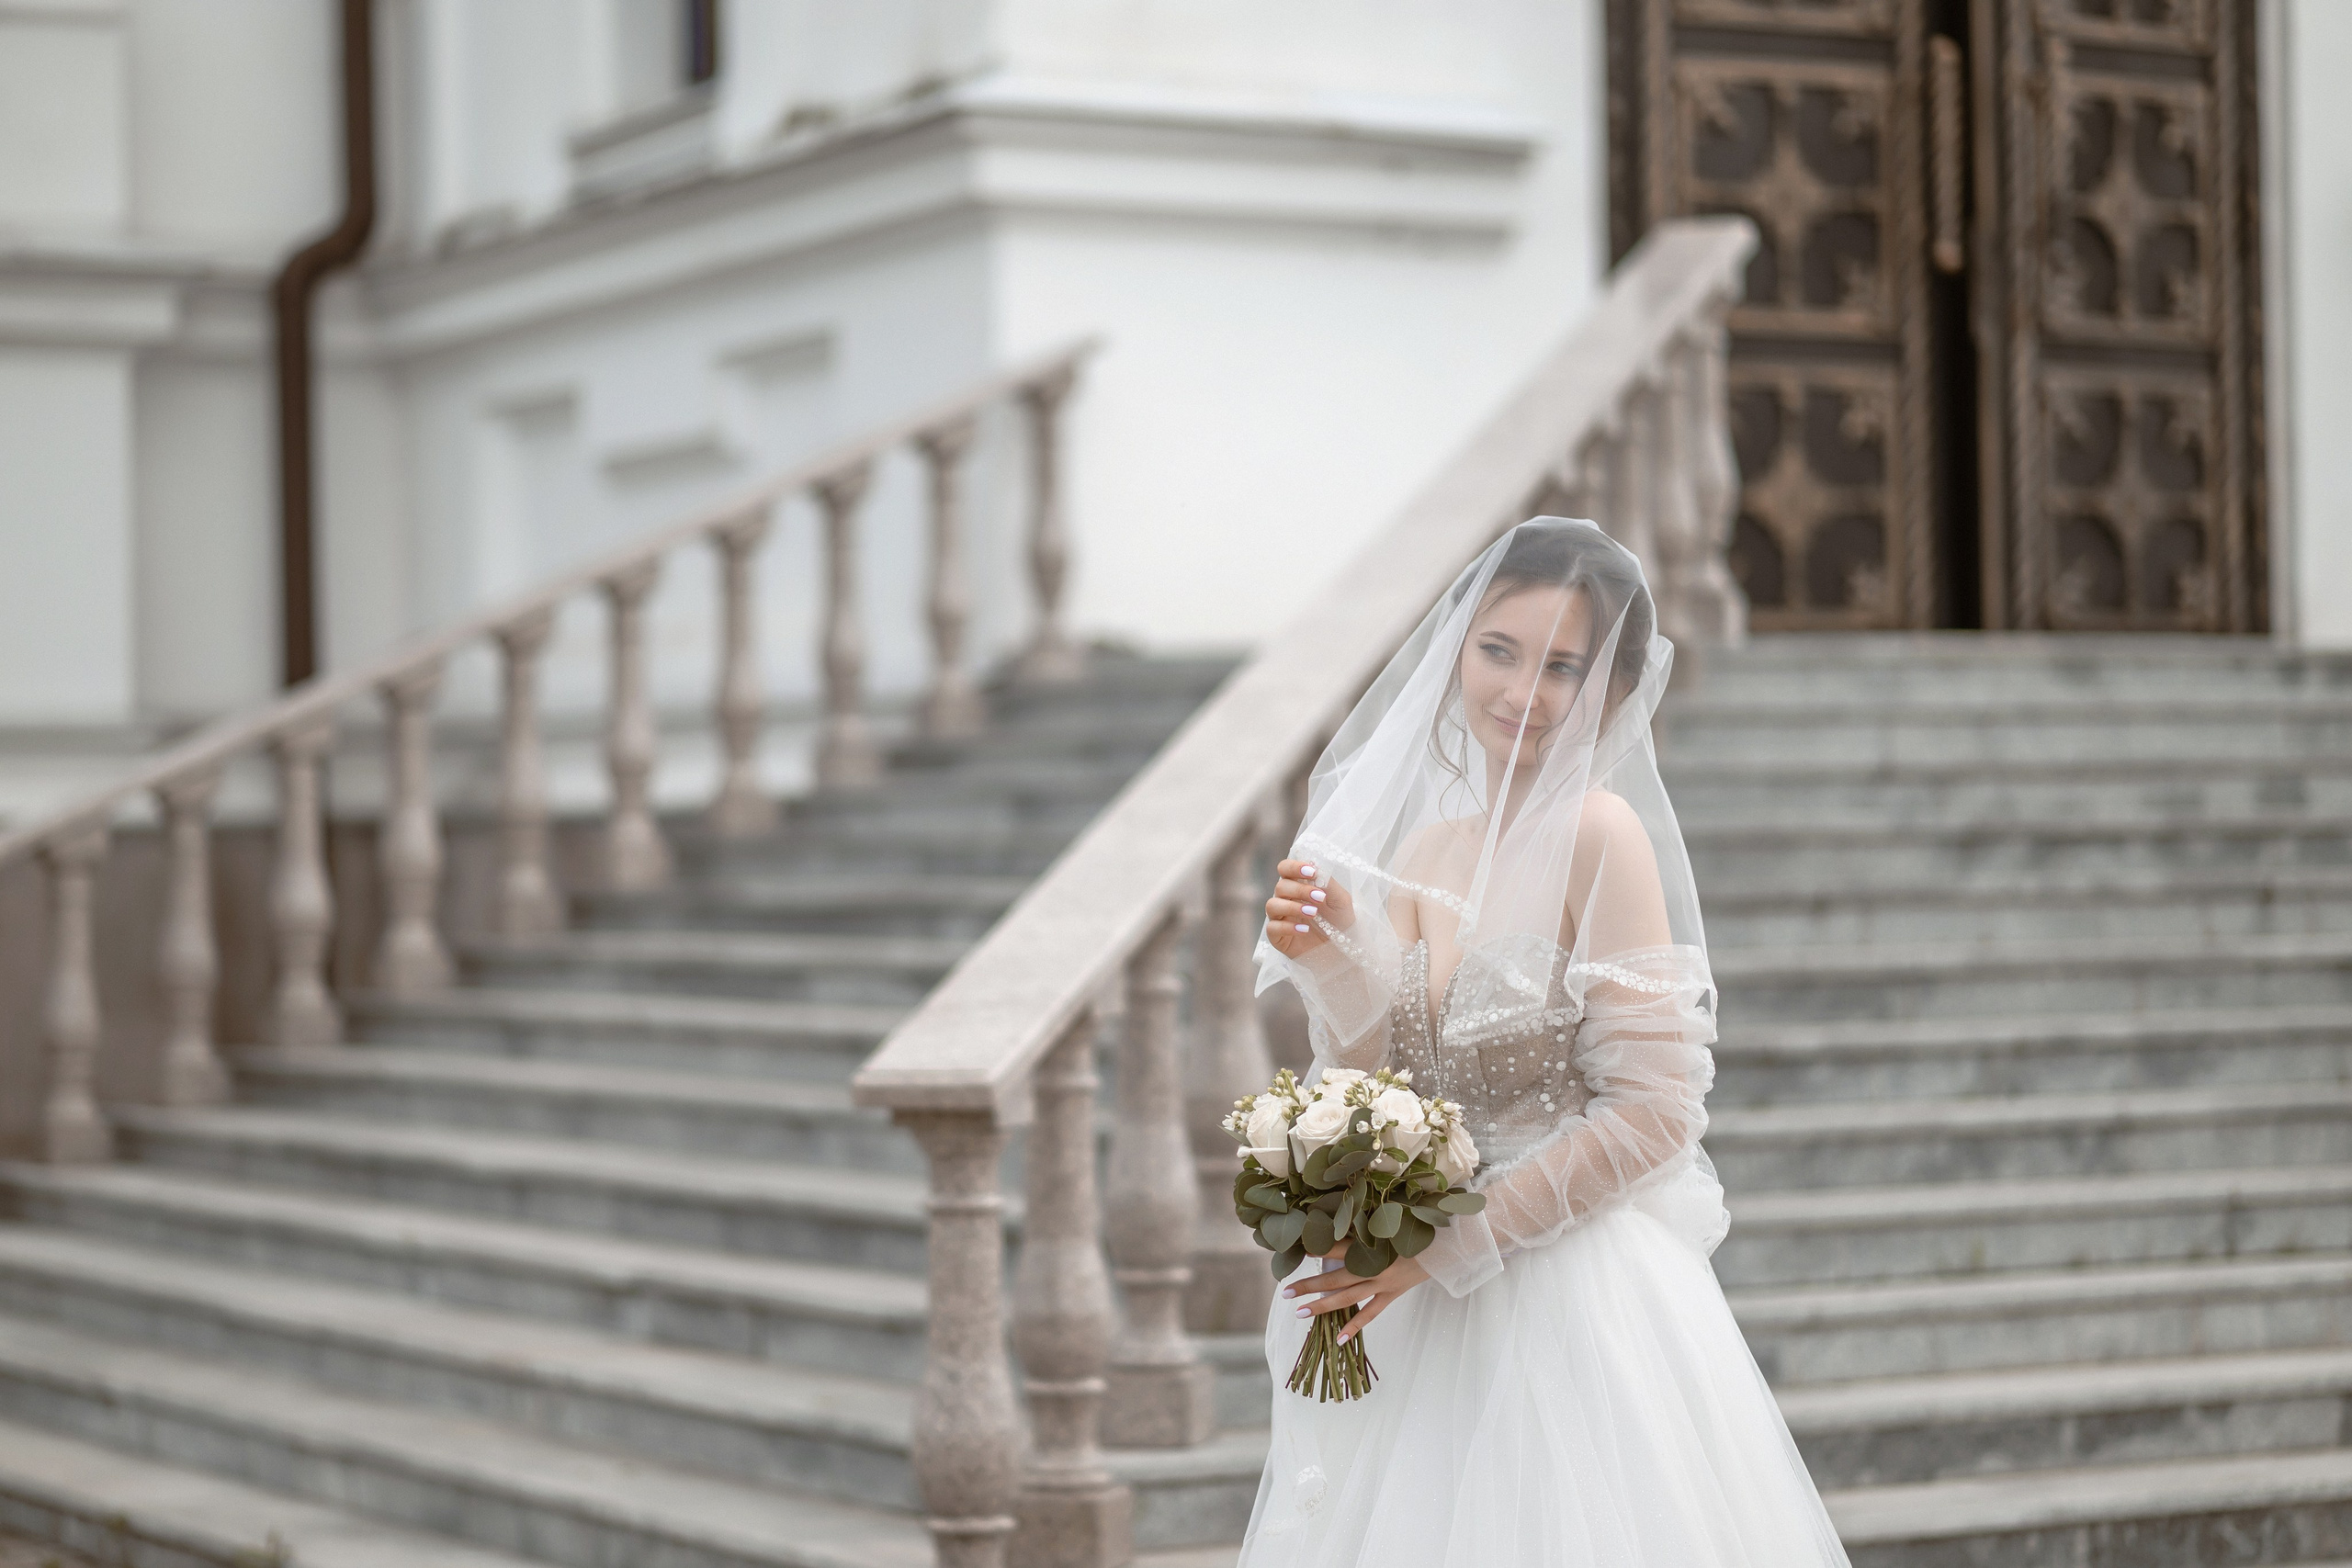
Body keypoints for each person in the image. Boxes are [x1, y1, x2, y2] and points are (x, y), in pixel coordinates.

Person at [1242, 517, 1849, 1565]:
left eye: (1562, 666)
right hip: (1423, 1304)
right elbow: (1391, 1076)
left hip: (1567, 1298)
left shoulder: (1599, 834)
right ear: (1456, 655)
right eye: (1500, 652)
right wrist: (1334, 952)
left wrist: (1445, 1250)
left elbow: (1657, 1112)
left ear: (1609, 689)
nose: (1523, 692)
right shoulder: (1426, 848)